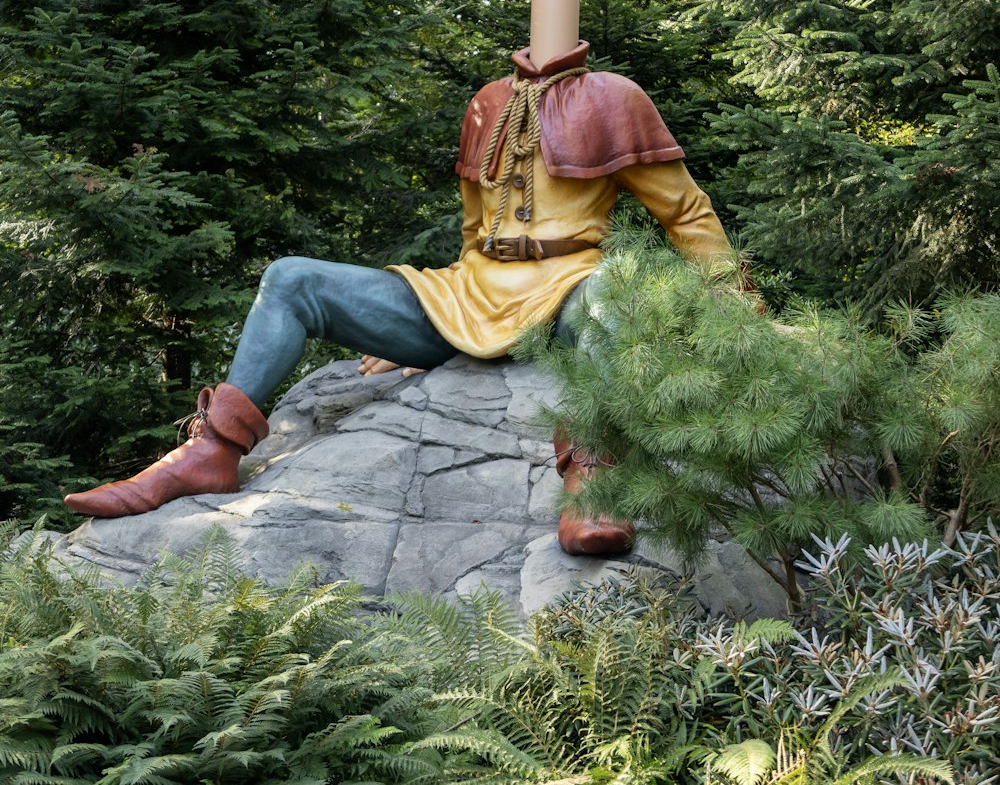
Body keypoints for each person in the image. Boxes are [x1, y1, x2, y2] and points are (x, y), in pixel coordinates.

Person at [64, 43, 748, 554]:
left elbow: (686, 212)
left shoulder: (615, 98)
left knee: (614, 288)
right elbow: (475, 233)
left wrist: (731, 299)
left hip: (570, 288)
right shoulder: (488, 101)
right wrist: (412, 337)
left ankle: (596, 475)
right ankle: (211, 453)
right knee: (291, 278)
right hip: (471, 292)